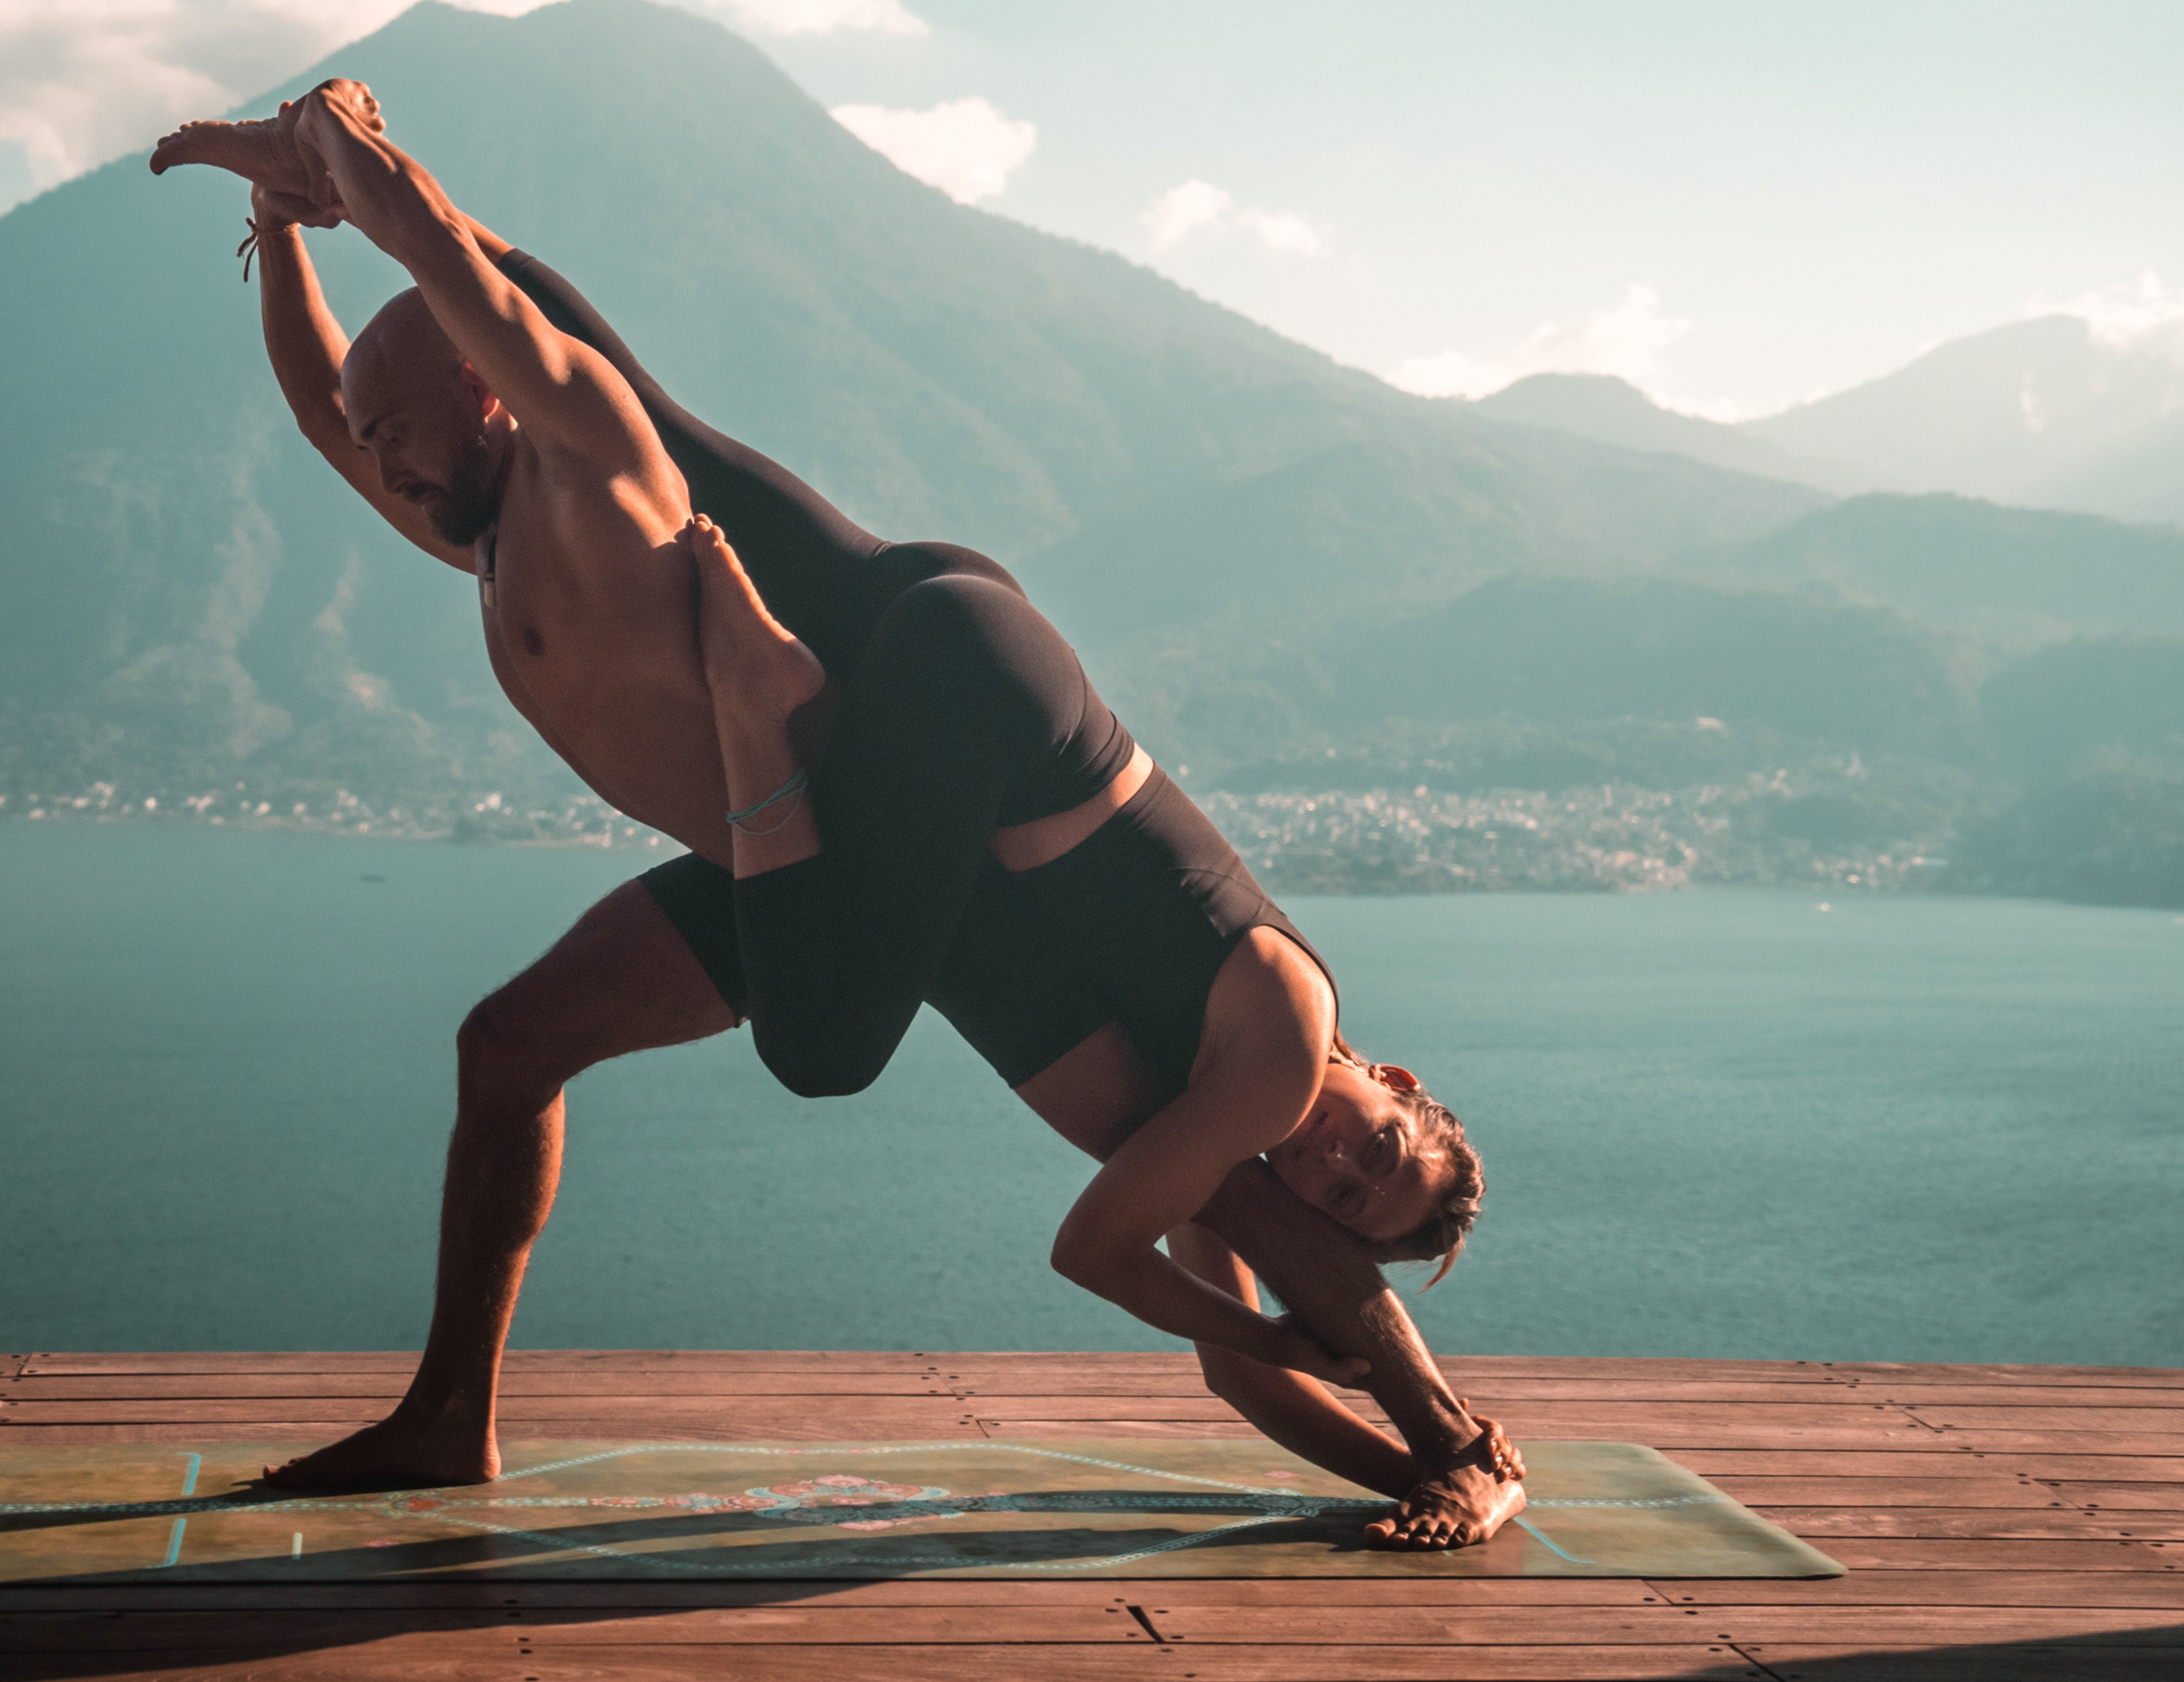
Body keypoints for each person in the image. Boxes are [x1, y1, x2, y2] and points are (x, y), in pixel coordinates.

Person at [152, 83, 1525, 1546]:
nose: (386, 467)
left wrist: (344, 169)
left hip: (879, 771)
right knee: (528, 1039)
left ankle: (1461, 1441)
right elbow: (351, 388)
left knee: (740, 1042)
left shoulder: (568, 474)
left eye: (1346, 1190)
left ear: (475, 403)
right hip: (880, 751)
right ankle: (446, 1414)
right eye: (1371, 1149)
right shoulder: (486, 522)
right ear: (1390, 1078)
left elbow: (464, 293)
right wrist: (289, 203)